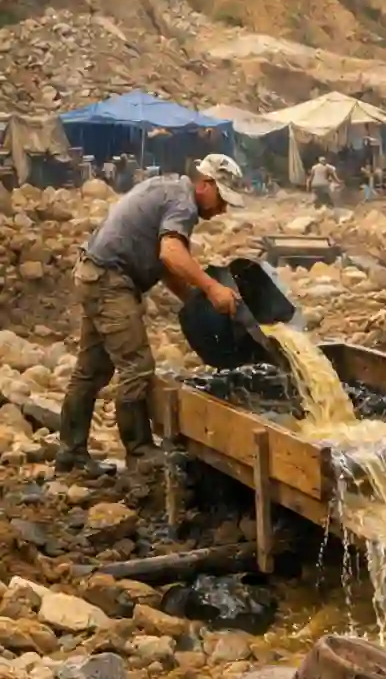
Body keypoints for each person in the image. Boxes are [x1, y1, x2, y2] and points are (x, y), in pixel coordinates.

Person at [56, 154, 246, 477]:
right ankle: (140, 453)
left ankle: (70, 455)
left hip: (94, 272)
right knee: (138, 366)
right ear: (206, 184)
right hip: (110, 280)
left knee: (92, 370)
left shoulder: (169, 188)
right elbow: (171, 254)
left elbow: (165, 265)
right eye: (223, 199)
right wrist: (213, 289)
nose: (222, 209)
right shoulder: (183, 203)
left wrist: (194, 300)